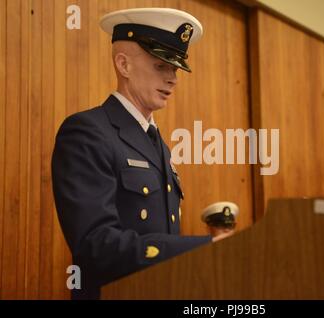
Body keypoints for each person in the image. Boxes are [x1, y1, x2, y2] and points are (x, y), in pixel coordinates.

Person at [52, 8, 232, 300]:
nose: (173, 79)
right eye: (161, 66)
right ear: (123, 64)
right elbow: (96, 246)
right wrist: (202, 248)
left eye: (175, 69)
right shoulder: (87, 131)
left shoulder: (157, 142)